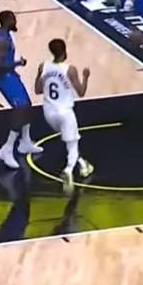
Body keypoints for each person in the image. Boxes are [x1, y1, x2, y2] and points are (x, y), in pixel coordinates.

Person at [34, 38, 94, 193]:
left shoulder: (43, 66)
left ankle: (84, 165)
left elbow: (37, 90)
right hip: (65, 113)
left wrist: (39, 74)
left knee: (69, 141)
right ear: (64, 50)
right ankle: (68, 170)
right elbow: (81, 92)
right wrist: (86, 76)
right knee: (72, 145)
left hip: (49, 113)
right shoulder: (70, 70)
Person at [0, 10, 42, 169]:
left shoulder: (5, 35)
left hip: (10, 75)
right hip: (3, 78)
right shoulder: (1, 40)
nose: (15, 22)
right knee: (20, 109)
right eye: (13, 19)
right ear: (7, 21)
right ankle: (6, 149)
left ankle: (25, 142)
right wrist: (17, 63)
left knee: (27, 106)